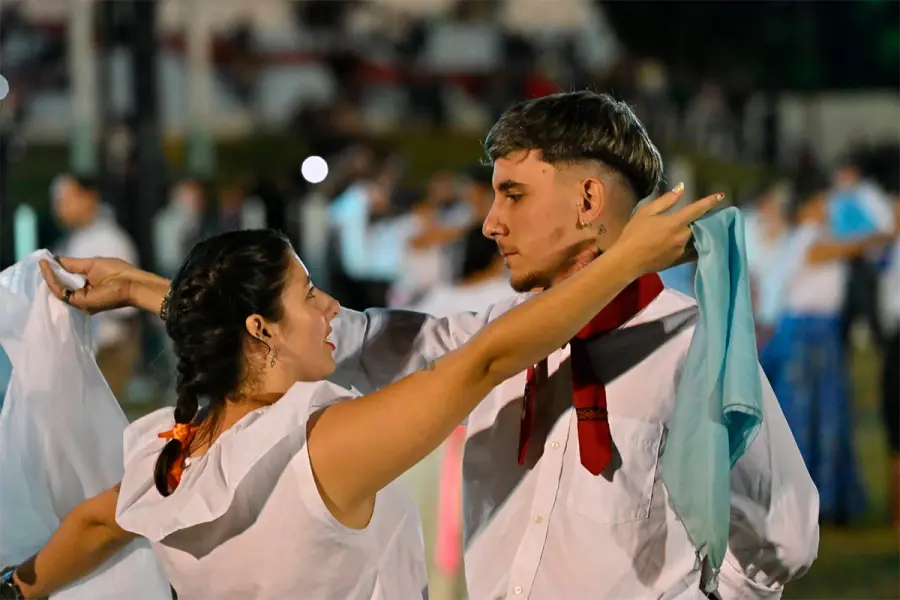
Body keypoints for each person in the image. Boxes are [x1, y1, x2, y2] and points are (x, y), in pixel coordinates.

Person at [32, 91, 814, 599]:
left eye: (512, 194)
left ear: (587, 199)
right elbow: (311, 338)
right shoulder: (479, 341)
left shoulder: (691, 349)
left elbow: (784, 537)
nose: (489, 224)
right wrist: (146, 289)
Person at [3, 187, 716, 600]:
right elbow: (482, 363)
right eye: (308, 294)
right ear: (262, 328)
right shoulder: (326, 450)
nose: (329, 311)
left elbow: (92, 528)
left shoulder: (170, 462)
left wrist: (15, 589)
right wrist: (623, 262)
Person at [760, 175, 893, 524]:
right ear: (806, 209)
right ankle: (807, 503)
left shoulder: (816, 237)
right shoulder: (805, 239)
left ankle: (829, 501)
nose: (826, 208)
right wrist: (880, 235)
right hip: (805, 335)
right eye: (820, 203)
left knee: (830, 417)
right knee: (805, 420)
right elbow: (832, 252)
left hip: (823, 334)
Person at [51, 173, 140, 401]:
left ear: (89, 197)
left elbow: (122, 301)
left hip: (110, 345)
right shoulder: (74, 239)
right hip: (88, 345)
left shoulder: (110, 240)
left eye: (66, 200)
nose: (60, 208)